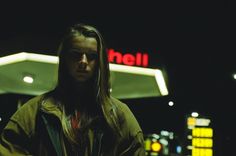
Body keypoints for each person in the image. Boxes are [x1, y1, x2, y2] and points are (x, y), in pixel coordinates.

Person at [0, 23, 145, 156]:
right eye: (76, 54)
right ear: (65, 59)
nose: (83, 61)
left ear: (100, 62)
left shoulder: (119, 115)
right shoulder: (35, 112)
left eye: (92, 56)